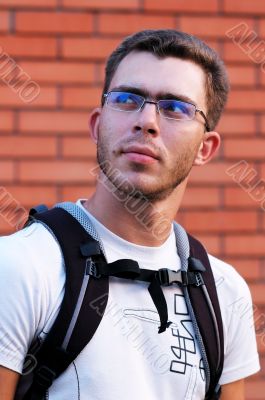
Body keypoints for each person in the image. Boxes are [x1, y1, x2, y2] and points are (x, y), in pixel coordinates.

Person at [0, 29, 260, 400]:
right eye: (127, 98)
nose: (147, 121)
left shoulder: (224, 292)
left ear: (206, 148)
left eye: (175, 108)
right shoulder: (18, 266)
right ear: (97, 124)